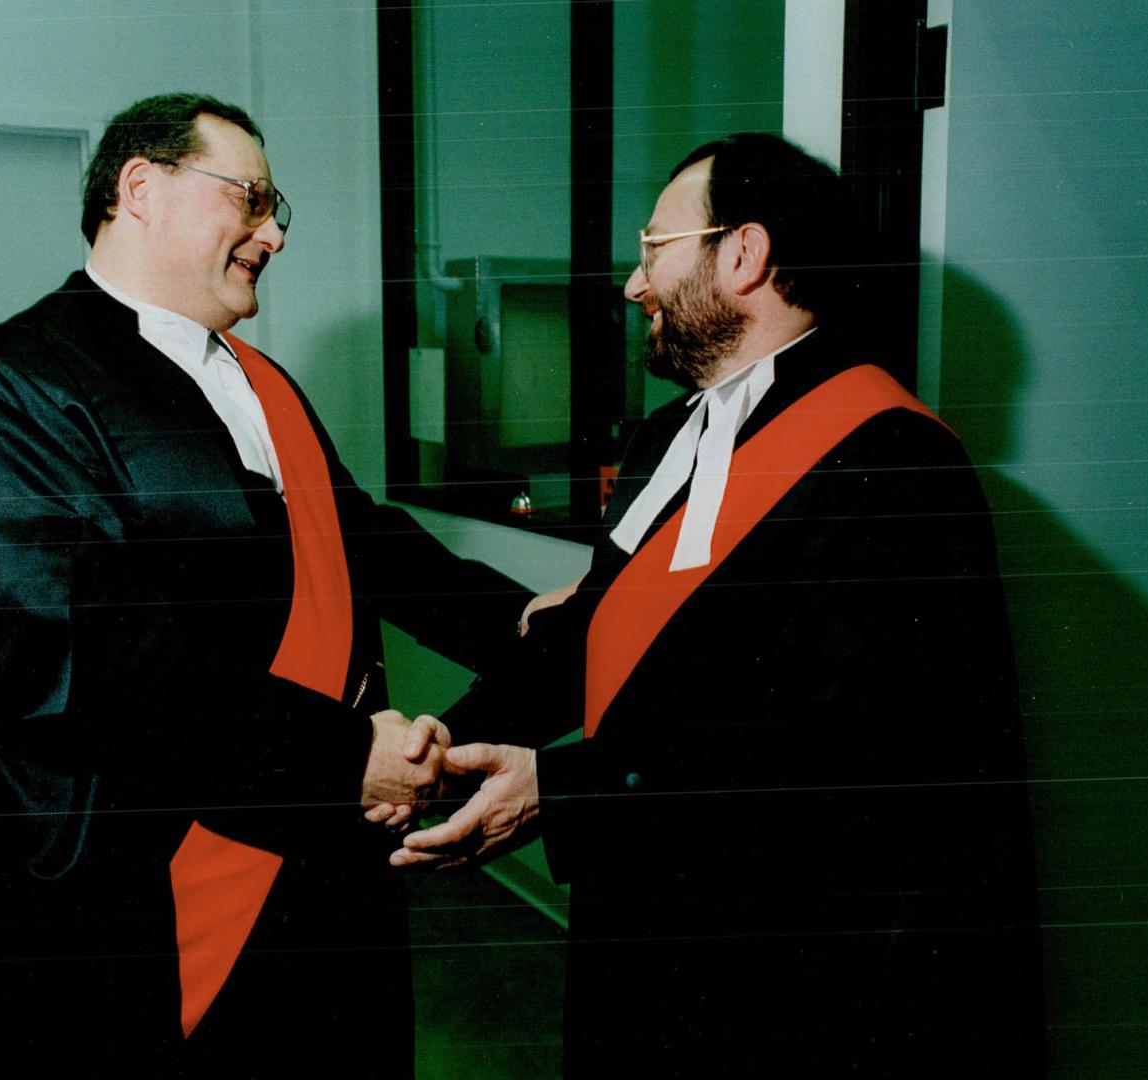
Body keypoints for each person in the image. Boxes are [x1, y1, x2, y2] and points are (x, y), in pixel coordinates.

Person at [394, 133, 1044, 1075]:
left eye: (653, 249)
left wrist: (564, 793)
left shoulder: (893, 461)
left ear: (743, 254)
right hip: (648, 912)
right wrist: (434, 754)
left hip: (795, 964)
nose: (631, 284)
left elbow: (847, 755)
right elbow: (598, 630)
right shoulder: (666, 436)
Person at [0, 92, 520, 1077]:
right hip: (153, 874)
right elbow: (62, 654)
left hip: (326, 835)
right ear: (139, 188)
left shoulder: (259, 380)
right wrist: (343, 752)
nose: (273, 232)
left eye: (280, 210)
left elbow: (356, 537)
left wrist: (514, 617)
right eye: (252, 198)